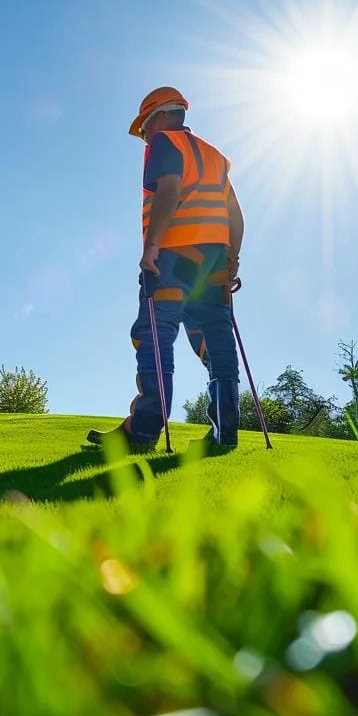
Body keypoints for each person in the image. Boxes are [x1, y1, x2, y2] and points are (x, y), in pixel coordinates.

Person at [87, 87, 244, 455]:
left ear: (159, 116)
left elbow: (169, 190)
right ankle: (224, 433)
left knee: (155, 336)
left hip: (174, 256)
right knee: (216, 339)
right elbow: (235, 214)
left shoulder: (164, 143)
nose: (144, 135)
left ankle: (142, 432)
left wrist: (152, 247)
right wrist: (231, 259)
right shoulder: (215, 156)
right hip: (212, 263)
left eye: (144, 127)